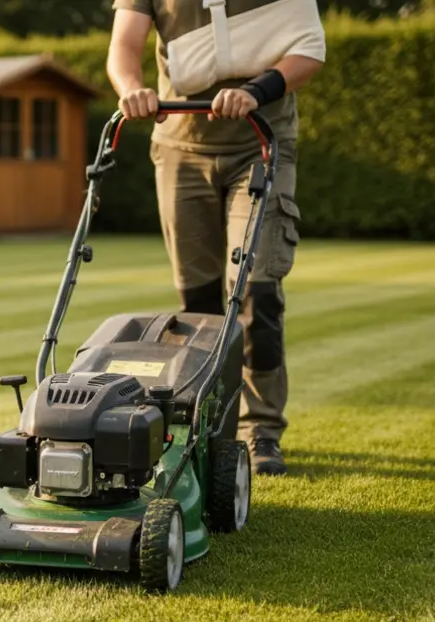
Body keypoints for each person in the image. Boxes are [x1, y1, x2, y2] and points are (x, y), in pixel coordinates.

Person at [107, 0, 325, 475]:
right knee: (198, 303)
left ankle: (260, 428)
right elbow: (124, 45)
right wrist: (132, 89)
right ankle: (205, 423)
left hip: (260, 140)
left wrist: (256, 90)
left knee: (257, 290)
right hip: (179, 148)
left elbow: (309, 49)